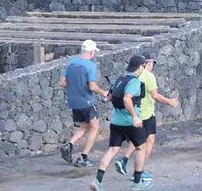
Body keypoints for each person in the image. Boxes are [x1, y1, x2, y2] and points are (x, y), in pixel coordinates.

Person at [89, 55, 151, 191]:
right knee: (141, 148)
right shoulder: (135, 82)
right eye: (144, 66)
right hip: (130, 123)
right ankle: (136, 182)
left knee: (112, 150)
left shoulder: (119, 79)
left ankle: (97, 181)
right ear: (140, 67)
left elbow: (109, 97)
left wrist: (107, 99)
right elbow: (127, 99)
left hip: (116, 122)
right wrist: (135, 116)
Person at [114, 54, 179, 182]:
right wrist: (170, 101)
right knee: (148, 142)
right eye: (152, 64)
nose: (152, 66)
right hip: (146, 115)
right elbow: (155, 96)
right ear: (148, 64)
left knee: (138, 141)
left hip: (135, 114)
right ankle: (139, 171)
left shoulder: (132, 75)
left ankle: (124, 159)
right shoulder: (149, 76)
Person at [60, 39, 108, 168]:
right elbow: (92, 87)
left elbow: (63, 83)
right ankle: (83, 157)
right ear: (92, 52)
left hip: (73, 101)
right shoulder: (90, 66)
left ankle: (69, 144)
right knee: (94, 126)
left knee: (86, 126)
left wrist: (74, 88)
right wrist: (103, 92)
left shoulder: (71, 63)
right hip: (86, 101)